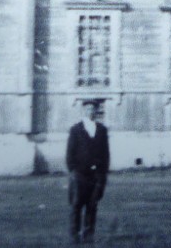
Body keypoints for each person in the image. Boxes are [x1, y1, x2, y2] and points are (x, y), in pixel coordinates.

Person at [65, 99, 109, 244]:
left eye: (93, 109)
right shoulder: (76, 130)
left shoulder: (102, 130)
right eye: (88, 109)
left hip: (96, 175)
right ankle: (75, 234)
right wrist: (74, 171)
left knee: (92, 205)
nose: (91, 112)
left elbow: (105, 154)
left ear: (97, 111)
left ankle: (88, 234)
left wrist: (102, 173)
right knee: (77, 205)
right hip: (79, 175)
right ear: (83, 111)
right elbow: (70, 154)